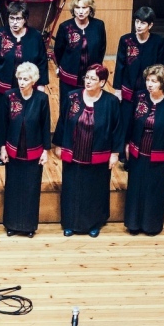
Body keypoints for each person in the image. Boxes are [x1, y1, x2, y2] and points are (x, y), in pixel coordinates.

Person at [53, 64, 123, 237]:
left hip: (98, 153)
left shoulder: (111, 102)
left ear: (102, 82)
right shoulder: (72, 97)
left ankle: (94, 223)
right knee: (72, 187)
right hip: (73, 151)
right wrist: (58, 145)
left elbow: (118, 129)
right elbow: (62, 122)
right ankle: (69, 223)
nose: (88, 81)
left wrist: (115, 153)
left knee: (95, 188)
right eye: (87, 77)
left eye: (93, 79)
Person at [0, 1, 49, 162]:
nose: (14, 22)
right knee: (0, 119)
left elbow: (42, 62)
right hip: (3, 86)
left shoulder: (35, 37)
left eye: (18, 19)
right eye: (11, 18)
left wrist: (41, 84)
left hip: (27, 88)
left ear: (25, 19)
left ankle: (20, 148)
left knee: (23, 118)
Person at [124, 65, 164, 236]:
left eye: (154, 81)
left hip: (160, 156)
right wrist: (127, 143)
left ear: (163, 83)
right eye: (148, 80)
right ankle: (133, 224)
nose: (149, 84)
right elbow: (131, 122)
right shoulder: (140, 96)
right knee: (135, 189)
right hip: (138, 152)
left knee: (155, 192)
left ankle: (151, 226)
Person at [0, 62, 51, 237]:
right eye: (19, 78)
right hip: (13, 150)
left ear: (33, 80)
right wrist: (2, 147)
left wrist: (46, 150)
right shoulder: (9, 96)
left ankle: (28, 226)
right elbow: (2, 124)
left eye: (25, 79)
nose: (21, 82)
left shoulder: (42, 99)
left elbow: (45, 125)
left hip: (34, 151)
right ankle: (11, 224)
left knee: (31, 189)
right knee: (12, 188)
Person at [114, 6, 164, 153]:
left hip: (147, 90)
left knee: (142, 122)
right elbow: (120, 65)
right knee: (125, 121)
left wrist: (159, 89)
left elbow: (161, 67)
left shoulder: (158, 41)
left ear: (150, 25)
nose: (138, 25)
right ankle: (122, 153)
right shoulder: (126, 40)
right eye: (137, 21)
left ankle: (138, 152)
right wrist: (117, 89)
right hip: (128, 89)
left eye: (143, 23)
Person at [53, 0, 107, 107]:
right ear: (73, 9)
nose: (81, 11)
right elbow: (58, 50)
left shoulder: (99, 25)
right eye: (77, 7)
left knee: (89, 105)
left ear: (90, 9)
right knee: (68, 107)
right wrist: (60, 66)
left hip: (91, 76)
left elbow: (101, 48)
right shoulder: (65, 27)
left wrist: (97, 69)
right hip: (69, 75)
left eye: (84, 7)